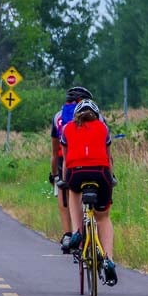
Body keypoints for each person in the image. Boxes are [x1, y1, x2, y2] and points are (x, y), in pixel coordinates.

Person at [59, 99, 117, 286]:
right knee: (103, 217)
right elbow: (109, 158)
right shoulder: (102, 128)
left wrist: (65, 181)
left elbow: (66, 161)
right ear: (96, 114)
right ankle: (108, 260)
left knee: (73, 191)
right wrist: (111, 178)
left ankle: (77, 232)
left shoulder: (67, 129)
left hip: (76, 172)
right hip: (100, 173)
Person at [50, 86, 94, 253]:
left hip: (66, 158)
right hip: (93, 161)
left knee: (64, 189)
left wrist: (54, 174)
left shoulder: (58, 117)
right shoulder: (95, 115)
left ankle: (68, 234)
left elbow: (54, 151)